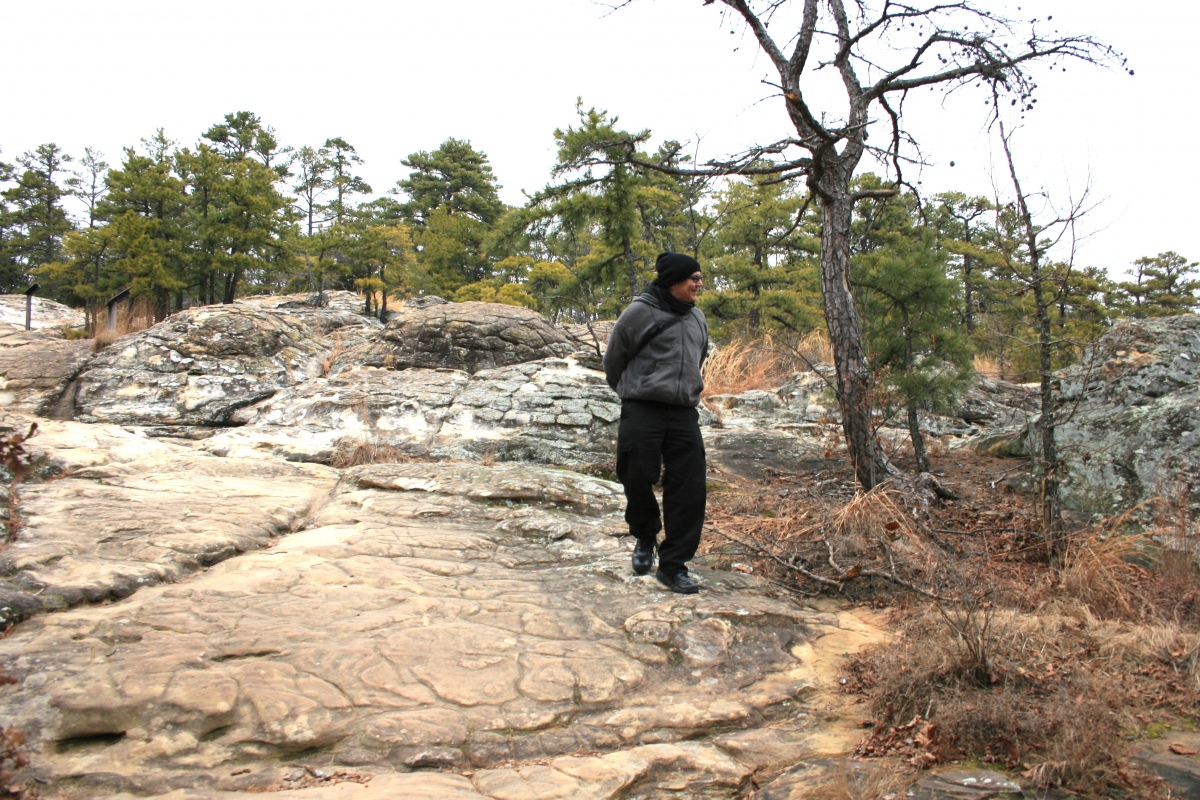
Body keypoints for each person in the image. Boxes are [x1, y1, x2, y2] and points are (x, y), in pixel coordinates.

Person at [603, 252, 709, 594]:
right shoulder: (638, 313)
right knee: (635, 476)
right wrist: (635, 390)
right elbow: (613, 361)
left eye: (700, 277)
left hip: (683, 413)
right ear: (672, 281)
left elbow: (700, 356)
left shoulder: (697, 318)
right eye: (693, 278)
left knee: (689, 489)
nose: (699, 283)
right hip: (642, 408)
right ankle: (645, 535)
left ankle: (674, 565)